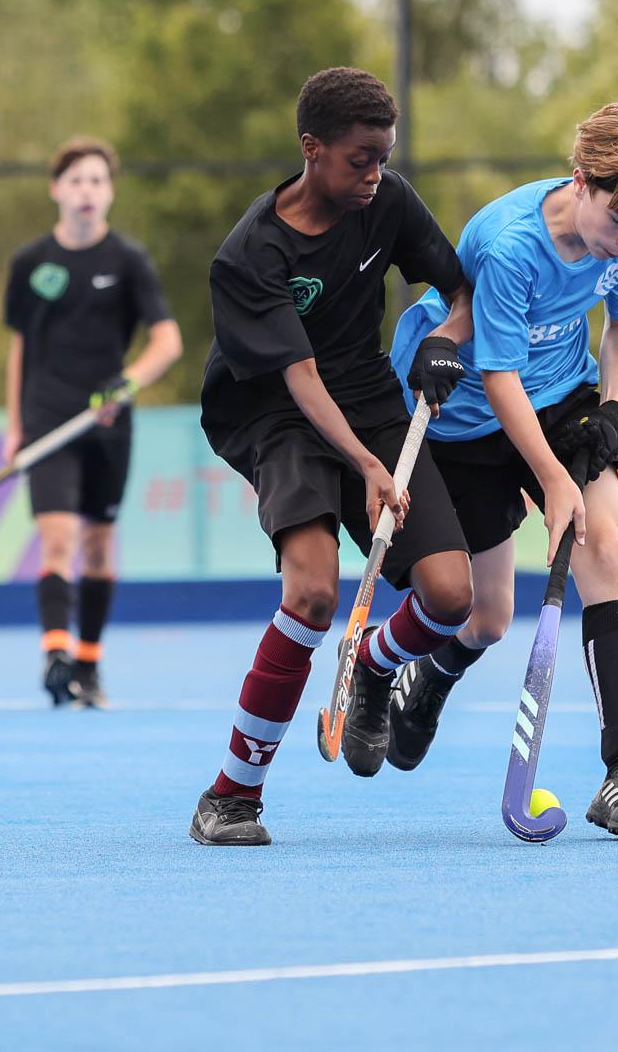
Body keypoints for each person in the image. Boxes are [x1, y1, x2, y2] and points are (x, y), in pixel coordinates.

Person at [384, 94, 618, 840]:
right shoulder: (511, 243)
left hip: (557, 395)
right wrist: (553, 479)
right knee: (485, 617)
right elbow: (496, 376)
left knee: (606, 547)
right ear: (581, 179)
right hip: (467, 415)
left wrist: (610, 411)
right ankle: (426, 674)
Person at [188, 67, 475, 846]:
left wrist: (447, 342)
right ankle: (231, 795)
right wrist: (371, 470)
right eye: (360, 159)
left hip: (371, 401)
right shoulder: (250, 254)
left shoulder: (387, 201)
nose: (375, 174)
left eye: (384, 156)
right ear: (312, 150)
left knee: (452, 597)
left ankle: (378, 664)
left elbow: (461, 290)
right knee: (313, 594)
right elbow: (299, 377)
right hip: (279, 416)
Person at [2, 137, 183, 709]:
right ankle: (55, 653)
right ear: (57, 189)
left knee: (101, 548)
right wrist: (15, 426)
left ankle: (88, 665)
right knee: (58, 540)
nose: (87, 191)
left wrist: (126, 384)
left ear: (110, 192)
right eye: (76, 180)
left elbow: (168, 340)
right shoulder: (31, 264)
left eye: (98, 181)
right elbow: (20, 349)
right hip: (48, 419)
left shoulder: (128, 262)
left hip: (107, 423)